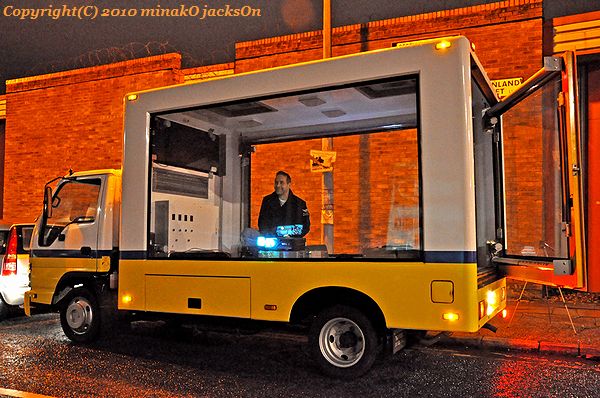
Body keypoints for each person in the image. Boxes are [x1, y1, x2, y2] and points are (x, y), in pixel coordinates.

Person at [258, 171, 310, 237]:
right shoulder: (267, 201)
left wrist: (292, 237)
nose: (278, 185)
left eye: (281, 183)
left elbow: (305, 226)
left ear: (289, 184)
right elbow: (262, 223)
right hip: (272, 243)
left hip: (293, 244)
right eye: (276, 182)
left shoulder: (299, 204)